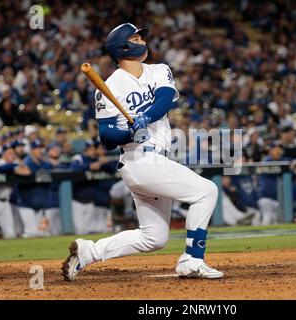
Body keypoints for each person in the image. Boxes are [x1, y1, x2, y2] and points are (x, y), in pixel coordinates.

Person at [62, 23, 223, 281]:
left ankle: (89, 252)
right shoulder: (109, 86)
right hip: (139, 160)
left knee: (154, 237)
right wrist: (127, 133)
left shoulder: (159, 70)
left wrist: (143, 118)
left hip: (155, 162)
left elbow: (164, 98)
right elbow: (106, 137)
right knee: (206, 191)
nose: (143, 41)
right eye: (136, 37)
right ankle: (192, 259)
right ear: (123, 47)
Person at [0, 143, 30, 239]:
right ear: (3, 154)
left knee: (10, 233)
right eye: (9, 153)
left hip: (6, 202)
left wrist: (17, 165)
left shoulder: (13, 164)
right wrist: (16, 164)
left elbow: (27, 172)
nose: (12, 156)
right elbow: (2, 169)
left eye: (13, 154)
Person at [69, 139, 108, 235]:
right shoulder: (78, 158)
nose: (93, 151)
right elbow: (73, 169)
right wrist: (89, 166)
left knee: (88, 231)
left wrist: (103, 162)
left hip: (91, 201)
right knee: (79, 230)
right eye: (90, 149)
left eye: (94, 149)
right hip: (77, 201)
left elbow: (111, 169)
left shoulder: (96, 159)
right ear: (86, 150)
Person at [16, 139, 53, 238]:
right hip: (26, 204)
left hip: (40, 205)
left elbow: (52, 171)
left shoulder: (45, 164)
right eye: (37, 148)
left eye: (40, 148)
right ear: (31, 150)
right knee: (31, 233)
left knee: (43, 233)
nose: (40, 151)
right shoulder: (26, 163)